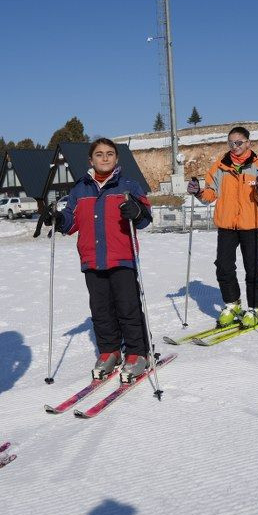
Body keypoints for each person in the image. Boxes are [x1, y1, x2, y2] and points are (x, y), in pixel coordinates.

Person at [42, 138, 153, 383]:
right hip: (92, 259)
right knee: (100, 309)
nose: (105, 158)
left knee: (128, 306)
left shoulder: (128, 186)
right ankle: (109, 351)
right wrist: (58, 219)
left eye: (110, 154)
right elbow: (72, 223)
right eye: (99, 154)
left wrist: (136, 211)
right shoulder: (80, 189)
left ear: (116, 159)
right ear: (90, 160)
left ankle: (137, 352)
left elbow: (145, 218)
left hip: (122, 256)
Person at [187, 126, 258, 328]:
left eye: (239, 142)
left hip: (251, 225)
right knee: (223, 266)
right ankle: (232, 304)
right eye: (231, 143)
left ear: (248, 143)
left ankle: (257, 308)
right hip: (226, 225)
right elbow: (210, 195)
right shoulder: (219, 167)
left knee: (252, 268)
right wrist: (198, 192)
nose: (235, 146)